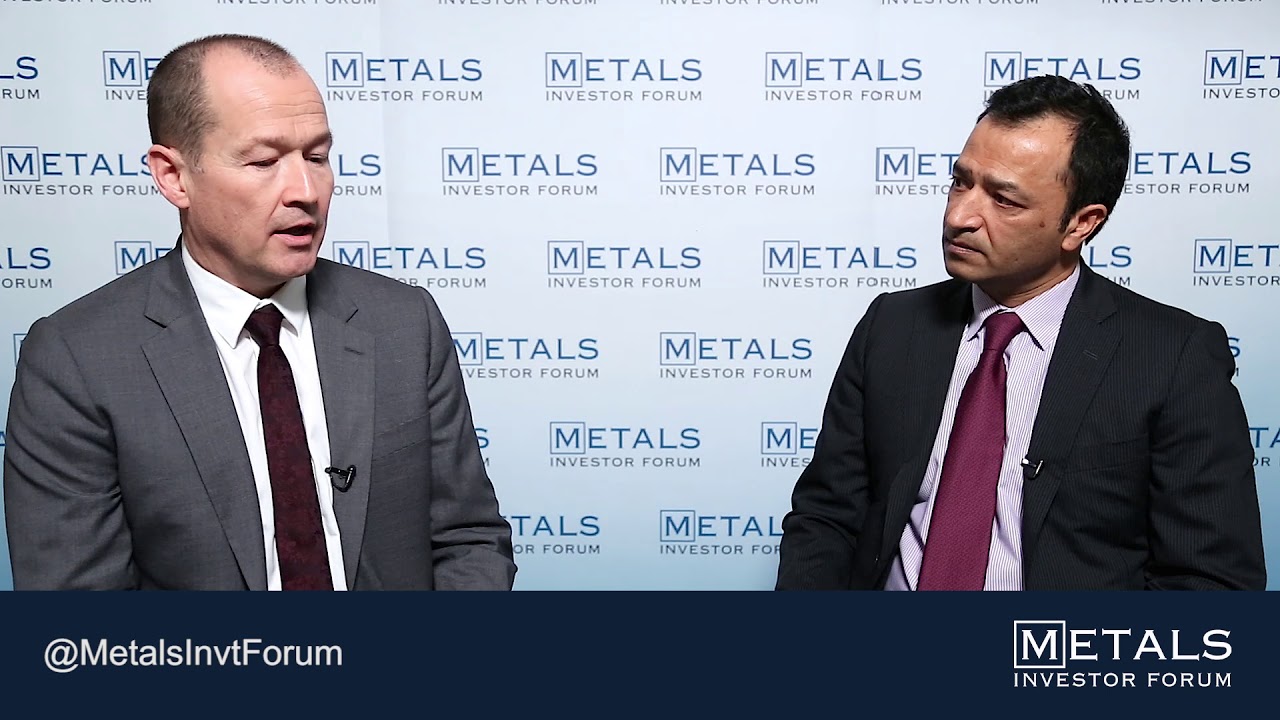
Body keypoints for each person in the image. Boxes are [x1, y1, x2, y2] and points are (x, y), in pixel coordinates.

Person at [3, 34, 515, 590]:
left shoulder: (404, 322)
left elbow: (469, 540)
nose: (305, 191)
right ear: (173, 176)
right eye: (264, 161)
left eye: (317, 157)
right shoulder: (77, 360)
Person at [776, 75, 1265, 591]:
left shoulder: (1174, 357)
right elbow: (827, 517)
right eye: (961, 181)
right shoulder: (892, 327)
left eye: (1004, 200)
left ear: (1081, 223)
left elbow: (1210, 581)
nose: (959, 216)